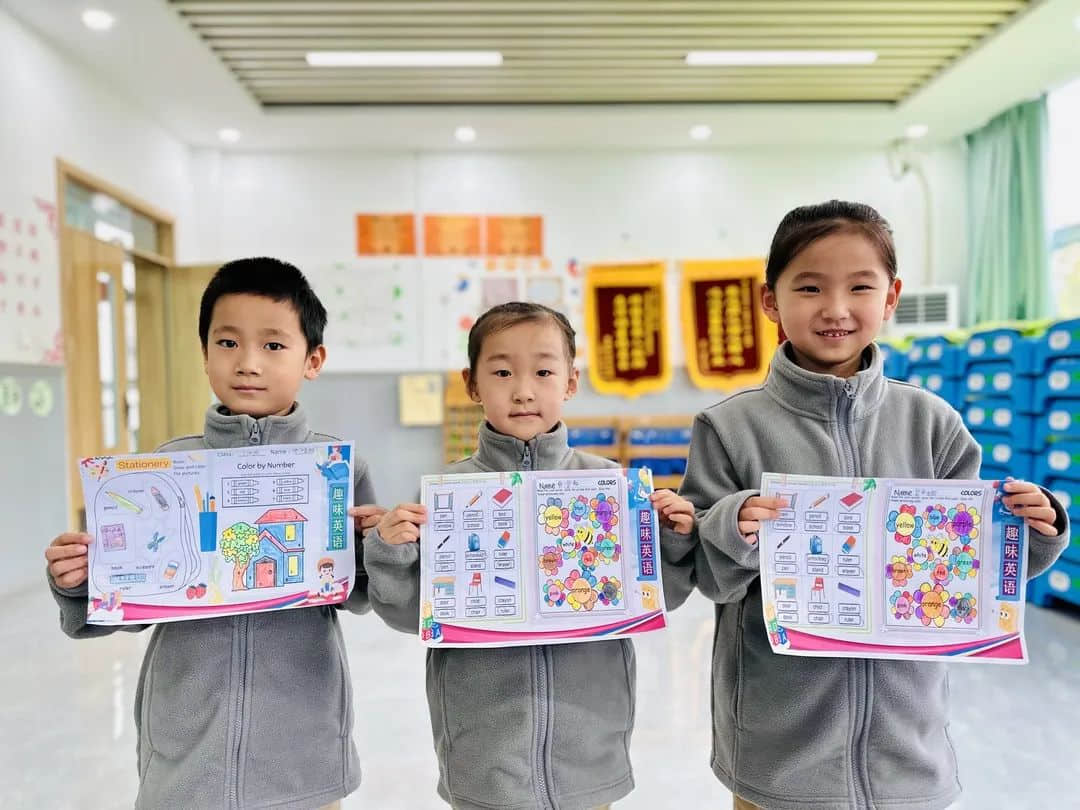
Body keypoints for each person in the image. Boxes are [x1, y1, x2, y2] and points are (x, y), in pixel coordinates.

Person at [661, 200, 1070, 810]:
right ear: (770, 300)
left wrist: (1033, 530)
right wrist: (732, 525)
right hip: (777, 746)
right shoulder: (728, 426)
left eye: (860, 286)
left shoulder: (933, 423)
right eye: (809, 287)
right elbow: (705, 576)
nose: (836, 308)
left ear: (891, 296)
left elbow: (973, 575)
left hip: (905, 745)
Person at [45, 257, 385, 810]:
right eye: (228, 342)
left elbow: (363, 595)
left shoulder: (337, 469)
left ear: (313, 359)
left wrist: (378, 550)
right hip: (188, 752)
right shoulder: (163, 470)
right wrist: (79, 581)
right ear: (204, 354)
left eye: (274, 345)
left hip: (303, 749)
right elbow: (131, 605)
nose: (248, 362)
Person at [364, 301, 694, 809]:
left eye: (543, 370)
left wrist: (669, 538)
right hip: (483, 752)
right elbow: (410, 613)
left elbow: (654, 600)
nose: (523, 390)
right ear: (472, 384)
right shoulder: (449, 494)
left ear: (570, 381)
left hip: (589, 744)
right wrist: (390, 554)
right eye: (501, 372)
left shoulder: (605, 484)